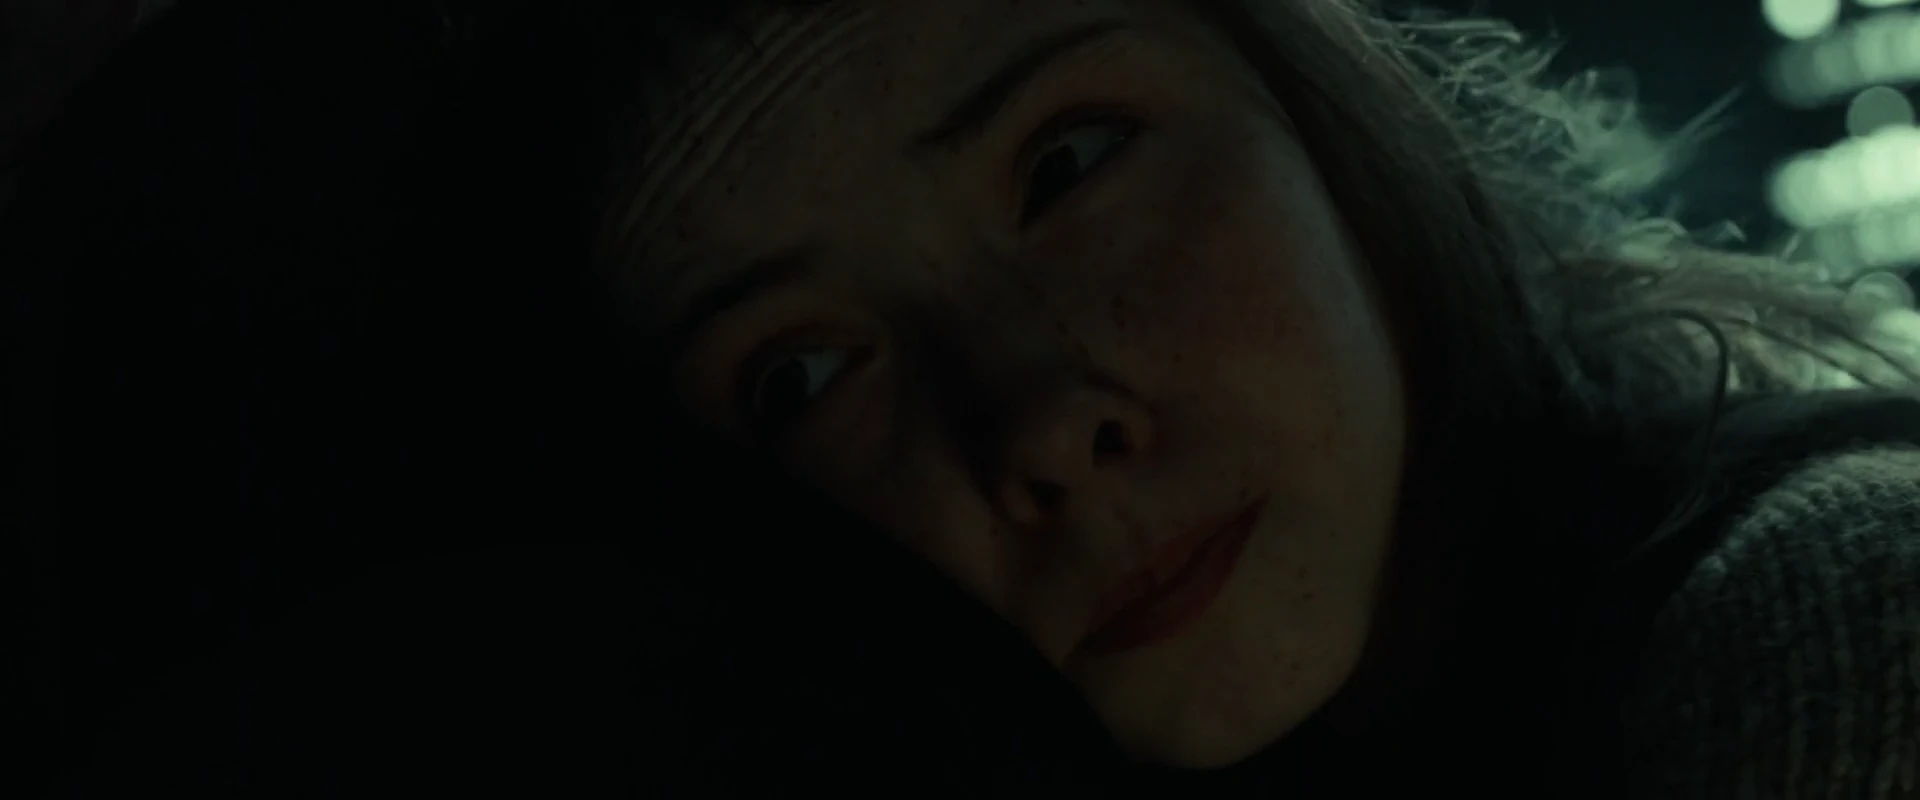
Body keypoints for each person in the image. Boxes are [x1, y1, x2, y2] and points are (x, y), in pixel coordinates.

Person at [15, 0, 1920, 797]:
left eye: (1069, 165)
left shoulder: (1831, 634)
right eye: (804, 373)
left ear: (1311, 109)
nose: (1040, 419)